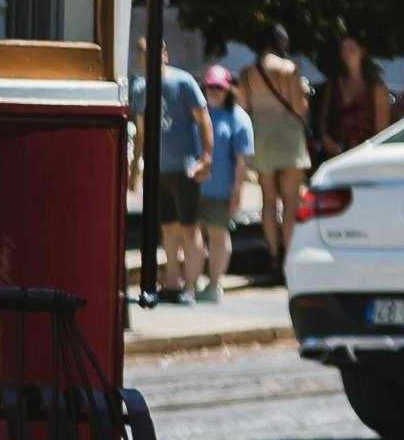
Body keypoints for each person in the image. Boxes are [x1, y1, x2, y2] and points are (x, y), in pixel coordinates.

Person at [134, 47, 208, 304]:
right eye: (144, 55)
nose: (150, 58)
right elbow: (141, 132)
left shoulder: (183, 81)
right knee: (168, 228)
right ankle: (172, 283)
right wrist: (135, 167)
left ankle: (191, 285)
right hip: (158, 169)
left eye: (153, 53)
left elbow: (203, 118)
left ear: (165, 53)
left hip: (184, 166)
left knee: (190, 228)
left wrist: (206, 158)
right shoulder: (140, 87)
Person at [243, 33, 315, 274]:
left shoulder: (248, 72)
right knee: (291, 201)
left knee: (268, 200)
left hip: (261, 137)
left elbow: (244, 106)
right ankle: (289, 258)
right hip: (289, 137)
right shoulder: (289, 69)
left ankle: (273, 255)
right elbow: (297, 108)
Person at [195, 66, 251, 304]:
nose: (215, 91)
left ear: (229, 90)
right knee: (193, 235)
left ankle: (215, 282)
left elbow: (241, 160)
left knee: (218, 235)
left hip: (221, 189)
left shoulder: (238, 117)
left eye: (220, 87)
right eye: (211, 86)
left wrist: (237, 190)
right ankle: (193, 280)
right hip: (194, 187)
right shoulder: (197, 112)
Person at [319, 35, 392, 162]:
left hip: (364, 157)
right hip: (336, 156)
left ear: (362, 52)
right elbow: (324, 119)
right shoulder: (334, 84)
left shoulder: (375, 87)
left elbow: (382, 129)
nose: (347, 54)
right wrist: (325, 138)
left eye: (351, 49)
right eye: (343, 49)